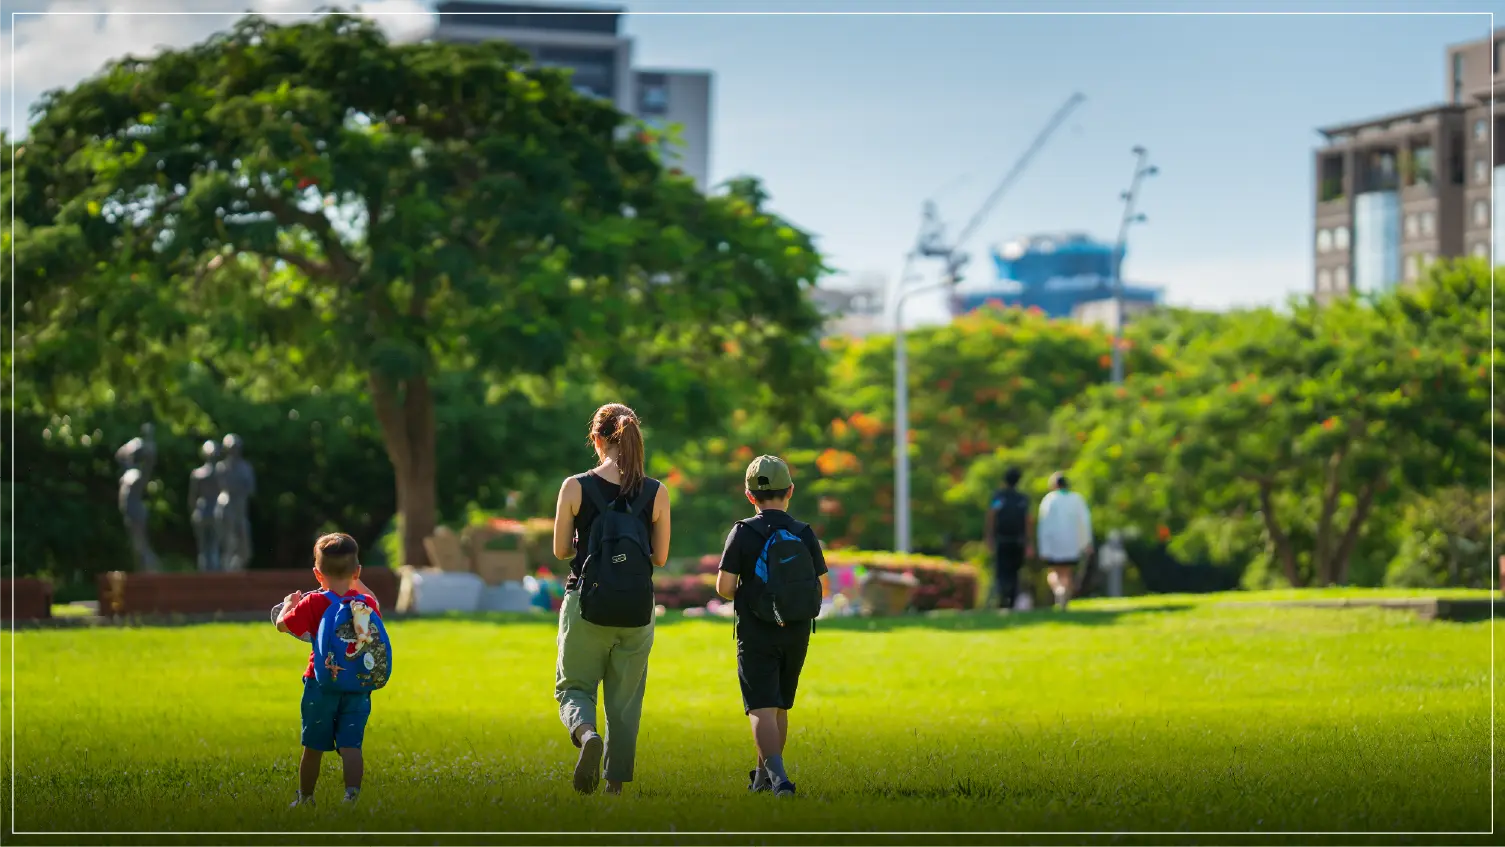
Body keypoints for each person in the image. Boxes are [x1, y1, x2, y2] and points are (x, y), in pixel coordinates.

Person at [552, 404, 671, 796]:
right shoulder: (656, 492)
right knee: (625, 702)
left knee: (574, 687)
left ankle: (586, 735)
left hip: (587, 604)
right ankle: (614, 787)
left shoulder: (575, 486)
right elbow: (660, 557)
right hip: (637, 610)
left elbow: (560, 552)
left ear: (597, 439)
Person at [714, 455, 828, 798]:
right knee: (779, 705)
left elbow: (724, 587)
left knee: (760, 705)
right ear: (790, 491)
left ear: (750, 496)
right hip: (796, 630)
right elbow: (824, 584)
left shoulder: (743, 532)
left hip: (756, 630)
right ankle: (762, 778)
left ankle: (779, 780)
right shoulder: (802, 532)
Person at [273, 533, 386, 808]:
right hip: (357, 684)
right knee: (351, 746)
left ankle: (306, 797)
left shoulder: (313, 603)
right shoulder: (365, 603)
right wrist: (356, 582)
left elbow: (282, 625)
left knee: (313, 747)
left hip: (320, 682)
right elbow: (376, 605)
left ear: (317, 573)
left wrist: (289, 604)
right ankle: (351, 797)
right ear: (357, 571)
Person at [1035, 472, 1094, 611]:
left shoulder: (1049, 500)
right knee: (1067, 572)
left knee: (1055, 572)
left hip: (1054, 543)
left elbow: (1044, 525)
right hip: (1071, 543)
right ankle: (1064, 597)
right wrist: (1086, 543)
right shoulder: (1077, 499)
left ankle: (1059, 591)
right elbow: (1084, 523)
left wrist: (1043, 547)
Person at [984, 467, 1033, 612]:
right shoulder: (1022, 499)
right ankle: (1010, 600)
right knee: (1015, 571)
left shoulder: (999, 497)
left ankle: (1003, 598)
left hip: (1002, 539)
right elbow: (1028, 520)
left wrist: (989, 536)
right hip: (1018, 540)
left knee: (1002, 570)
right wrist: (1029, 542)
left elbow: (991, 516)